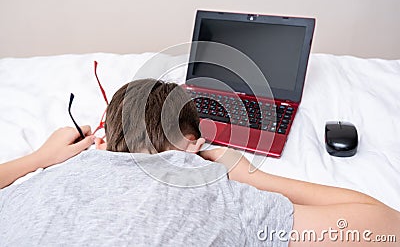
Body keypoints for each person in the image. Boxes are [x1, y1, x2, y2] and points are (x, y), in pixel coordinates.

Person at [0, 79, 399, 246]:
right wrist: (250, 177)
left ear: (102, 140)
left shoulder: (31, 190)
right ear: (192, 144)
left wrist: (39, 159)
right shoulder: (215, 192)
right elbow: (385, 228)